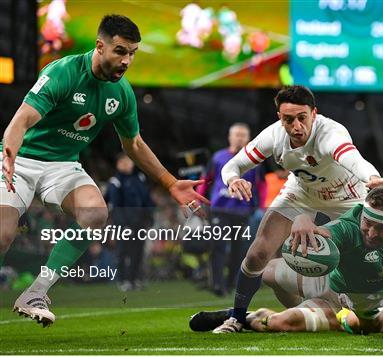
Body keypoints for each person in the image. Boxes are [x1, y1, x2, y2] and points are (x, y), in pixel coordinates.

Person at [0, 14, 209, 326]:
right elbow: (22, 119)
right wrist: (10, 153)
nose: (127, 61)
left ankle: (36, 292)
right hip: (21, 159)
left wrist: (168, 182)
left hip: (63, 165)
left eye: (133, 53)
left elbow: (134, 144)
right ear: (100, 46)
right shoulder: (63, 72)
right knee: (3, 234)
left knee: (95, 214)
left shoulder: (121, 93)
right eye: (121, 51)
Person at [212, 85, 383, 333]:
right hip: (302, 193)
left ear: (314, 114)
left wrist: (373, 178)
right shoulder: (274, 136)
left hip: (348, 197)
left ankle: (382, 310)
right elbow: (231, 166)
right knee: (258, 253)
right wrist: (234, 180)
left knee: (368, 264)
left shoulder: (330, 134)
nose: (296, 126)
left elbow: (352, 158)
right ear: (280, 117)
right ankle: (235, 318)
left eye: (302, 118)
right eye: (289, 120)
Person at [192, 187, 383, 334]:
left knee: (283, 323)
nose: (369, 232)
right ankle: (237, 310)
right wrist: (303, 219)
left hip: (358, 307)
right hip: (329, 278)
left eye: (381, 228)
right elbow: (324, 233)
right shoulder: (351, 224)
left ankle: (242, 319)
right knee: (267, 271)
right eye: (367, 222)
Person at [190, 247, 383, 333]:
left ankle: (238, 317)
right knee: (267, 271)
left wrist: (348, 313)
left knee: (279, 323)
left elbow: (373, 325)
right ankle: (288, 306)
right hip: (334, 281)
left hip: (345, 312)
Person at [196, 123, 266, 296]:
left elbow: (262, 185)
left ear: (248, 139)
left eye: (243, 135)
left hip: (242, 211)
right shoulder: (218, 157)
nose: (239, 138)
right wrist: (198, 199)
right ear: (230, 136)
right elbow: (206, 179)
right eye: (236, 134)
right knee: (218, 247)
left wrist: (261, 206)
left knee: (239, 249)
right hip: (219, 209)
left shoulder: (255, 161)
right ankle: (218, 285)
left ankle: (230, 282)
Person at [105, 153, 154, 291]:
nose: (129, 164)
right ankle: (122, 280)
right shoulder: (116, 181)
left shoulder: (140, 178)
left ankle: (134, 279)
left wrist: (150, 217)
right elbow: (115, 206)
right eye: (125, 162)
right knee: (122, 251)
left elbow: (147, 200)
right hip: (123, 223)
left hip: (140, 222)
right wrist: (123, 223)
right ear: (119, 164)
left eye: (130, 161)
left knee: (137, 252)